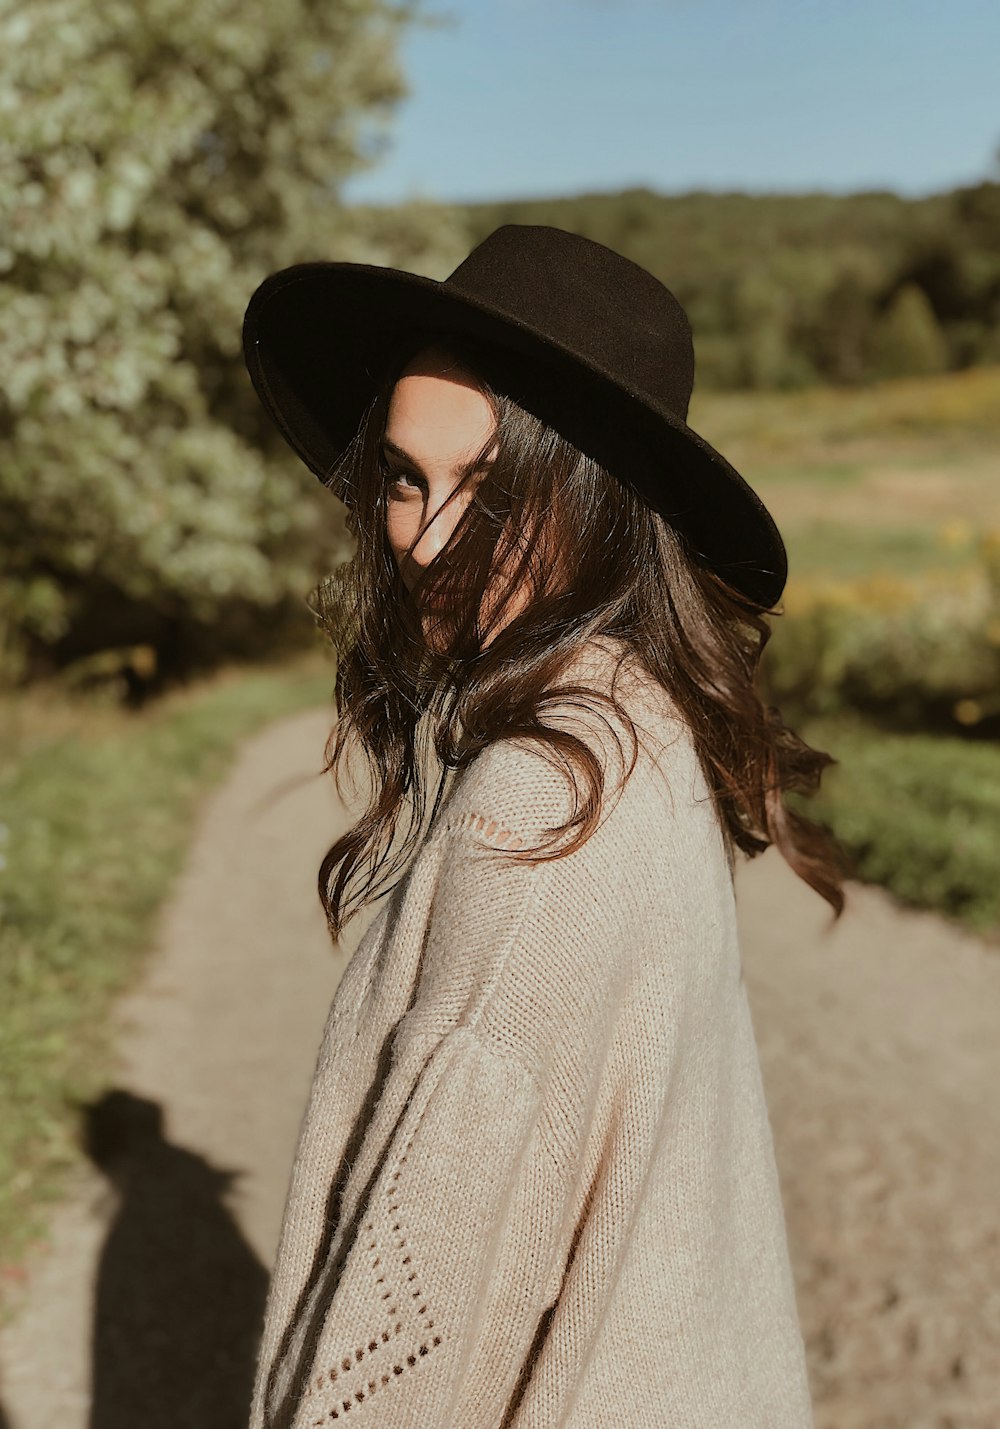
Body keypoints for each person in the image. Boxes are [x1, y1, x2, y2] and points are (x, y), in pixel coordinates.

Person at [241, 225, 848, 1427]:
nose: (420, 538)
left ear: (604, 499)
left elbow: (416, 1341)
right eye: (405, 476)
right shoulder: (641, 723)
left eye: (492, 489)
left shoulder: (543, 799)